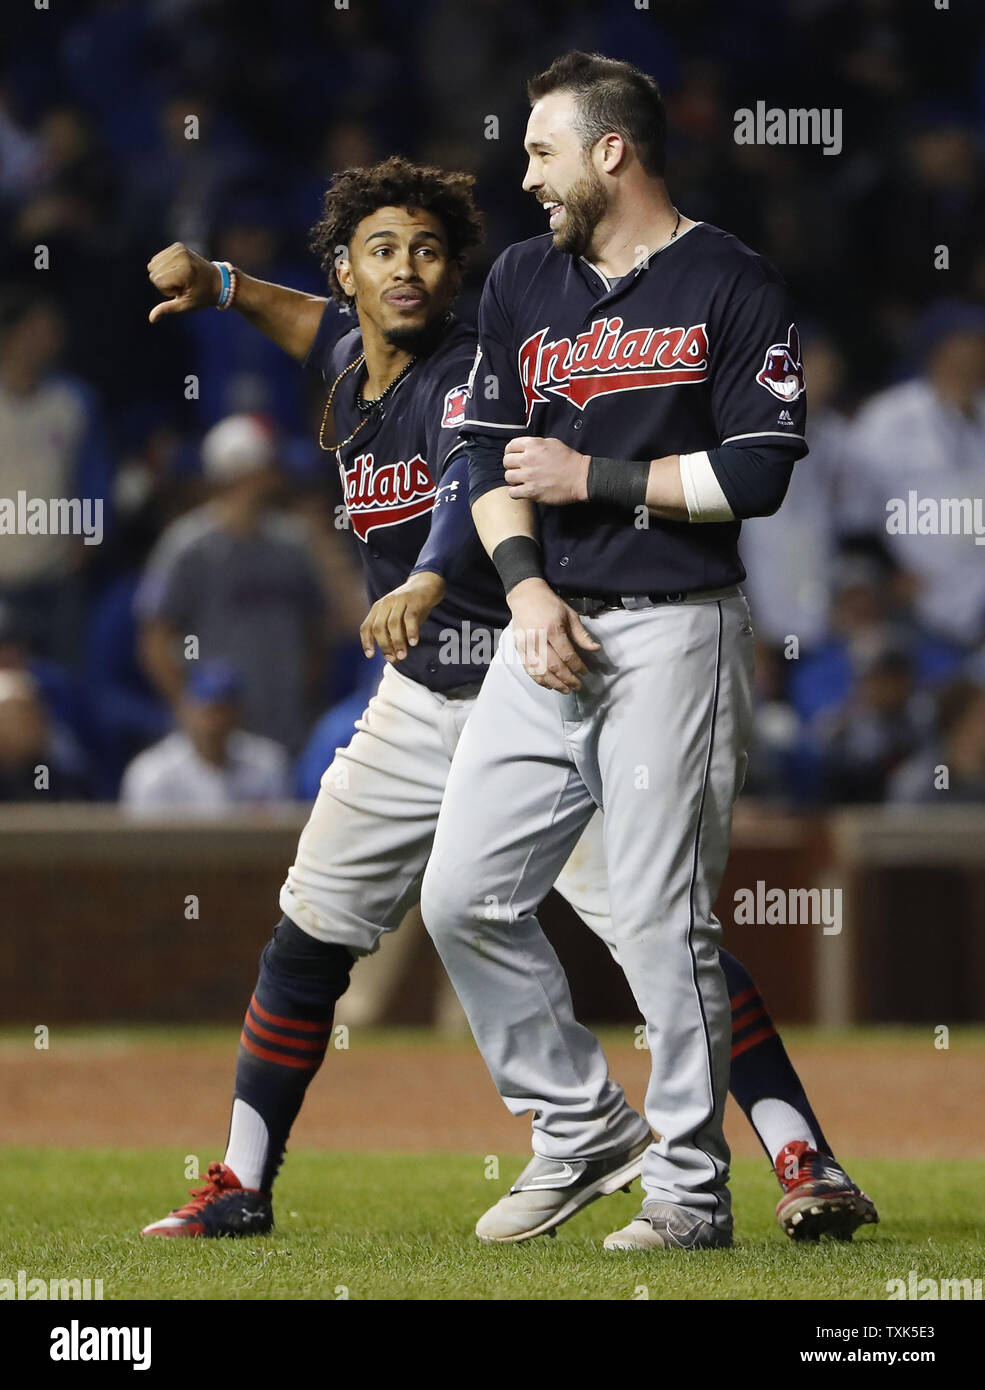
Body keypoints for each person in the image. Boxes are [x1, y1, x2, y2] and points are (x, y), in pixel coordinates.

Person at [139, 156, 874, 1245]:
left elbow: (461, 490)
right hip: (416, 696)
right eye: (382, 249)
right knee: (309, 930)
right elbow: (317, 331)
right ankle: (243, 1181)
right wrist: (228, 285)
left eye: (429, 250)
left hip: (527, 691)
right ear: (346, 270)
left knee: (660, 932)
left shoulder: (471, 373)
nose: (407, 268)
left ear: (455, 273)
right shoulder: (352, 358)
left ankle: (801, 1155)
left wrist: (433, 575)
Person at [419, 51, 872, 1252]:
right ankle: (575, 1121)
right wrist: (521, 591)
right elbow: (483, 457)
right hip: (547, 624)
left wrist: (595, 477)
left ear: (610, 151)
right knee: (461, 890)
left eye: (541, 151)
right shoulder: (524, 279)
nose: (525, 177)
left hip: (676, 629)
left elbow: (759, 472)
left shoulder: (730, 278)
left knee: (664, 918)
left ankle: (690, 1189)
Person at [134, 412, 327, 753]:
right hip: (217, 727)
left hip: (286, 722)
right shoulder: (188, 546)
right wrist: (187, 705)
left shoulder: (291, 542)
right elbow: (155, 638)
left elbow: (317, 628)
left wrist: (302, 687)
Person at [120, 662, 290, 816]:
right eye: (207, 710)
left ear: (238, 714)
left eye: (224, 710)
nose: (215, 721)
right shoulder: (152, 772)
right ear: (185, 710)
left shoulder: (267, 764)